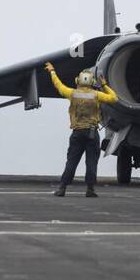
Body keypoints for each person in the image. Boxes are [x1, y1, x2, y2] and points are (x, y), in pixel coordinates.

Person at [44, 62, 119, 197]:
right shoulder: (97, 95)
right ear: (92, 82)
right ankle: (90, 190)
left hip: (77, 133)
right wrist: (104, 85)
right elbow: (114, 98)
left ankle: (62, 188)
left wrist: (52, 71)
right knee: (91, 162)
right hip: (92, 133)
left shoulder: (72, 94)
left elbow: (58, 85)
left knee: (72, 161)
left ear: (78, 80)